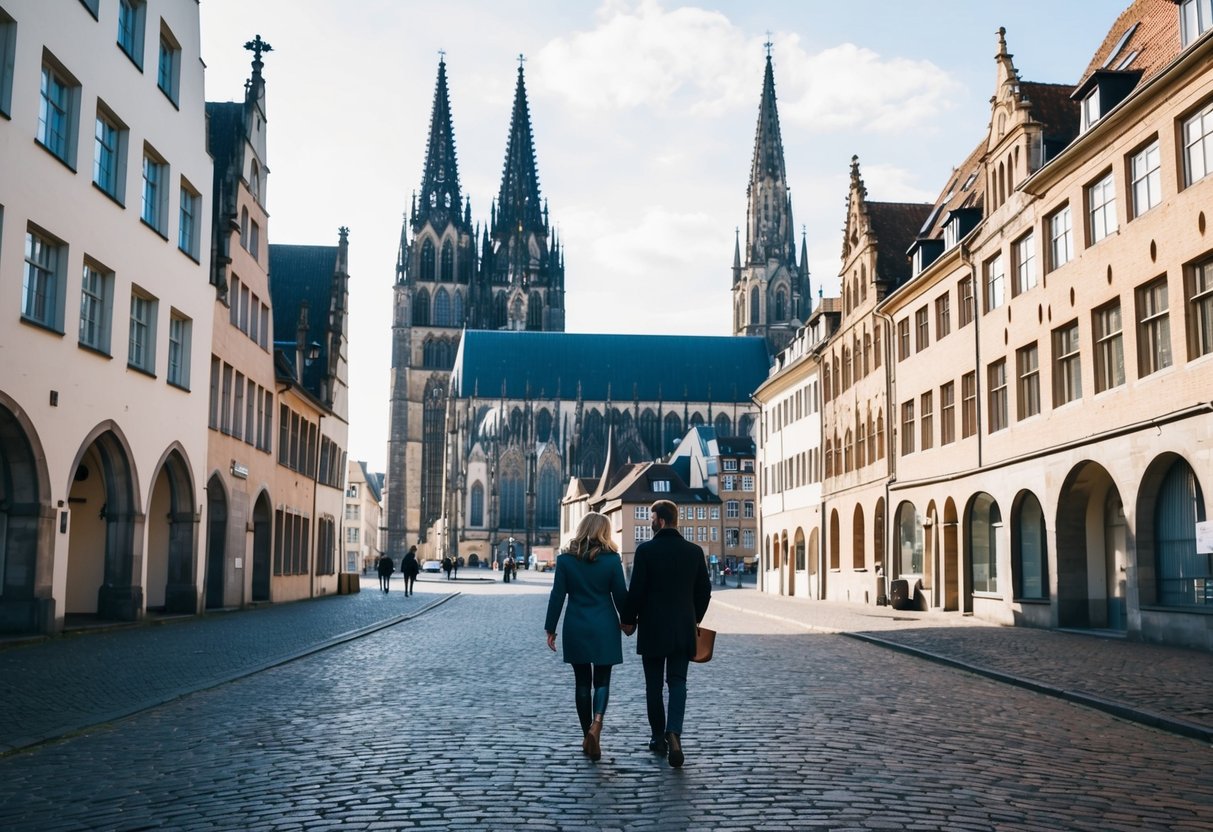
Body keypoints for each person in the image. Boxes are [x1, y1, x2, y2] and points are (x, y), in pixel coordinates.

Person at [621, 499, 711, 768]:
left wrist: (628, 620)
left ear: (659, 520)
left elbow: (636, 590)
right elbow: (704, 592)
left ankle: (658, 737)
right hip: (683, 628)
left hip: (653, 629)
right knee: (678, 682)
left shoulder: (646, 551)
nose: (649, 523)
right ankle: (675, 732)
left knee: (653, 686)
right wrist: (694, 617)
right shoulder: (694, 552)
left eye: (651, 518)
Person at [544, 512, 630, 762]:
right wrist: (628, 621)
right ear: (604, 532)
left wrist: (550, 628)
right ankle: (597, 726)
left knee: (582, 682)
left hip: (576, 626)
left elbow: (557, 596)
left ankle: (586, 735)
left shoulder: (565, 561)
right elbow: (620, 596)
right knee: (602, 680)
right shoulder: (612, 561)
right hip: (604, 626)